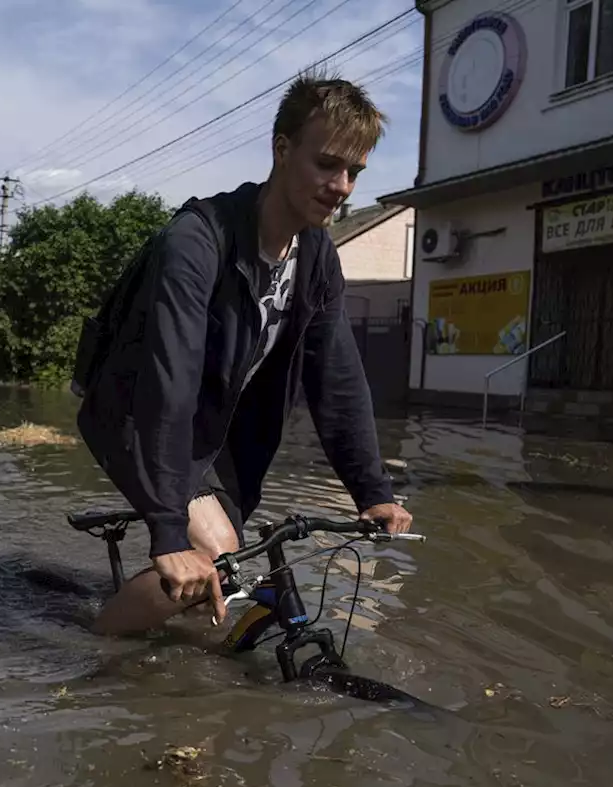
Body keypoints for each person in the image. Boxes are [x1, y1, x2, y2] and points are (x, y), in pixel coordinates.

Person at [76, 72, 413, 635]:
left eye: (355, 171)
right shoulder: (196, 240)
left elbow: (336, 377)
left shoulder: (317, 254)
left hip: (215, 431)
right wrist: (164, 527)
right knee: (218, 550)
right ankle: (85, 652)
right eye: (328, 164)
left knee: (223, 575)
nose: (343, 185)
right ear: (281, 149)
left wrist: (373, 491)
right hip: (136, 412)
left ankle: (166, 654)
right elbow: (169, 379)